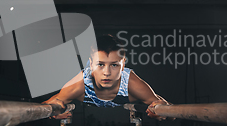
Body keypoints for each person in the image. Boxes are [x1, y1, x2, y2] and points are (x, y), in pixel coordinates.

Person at [42, 34, 172, 120]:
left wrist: (161, 112)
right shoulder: (80, 83)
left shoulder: (131, 83)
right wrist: (53, 113)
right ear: (91, 65)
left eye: (114, 65)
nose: (107, 73)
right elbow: (44, 106)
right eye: (100, 65)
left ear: (123, 65)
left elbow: (170, 112)